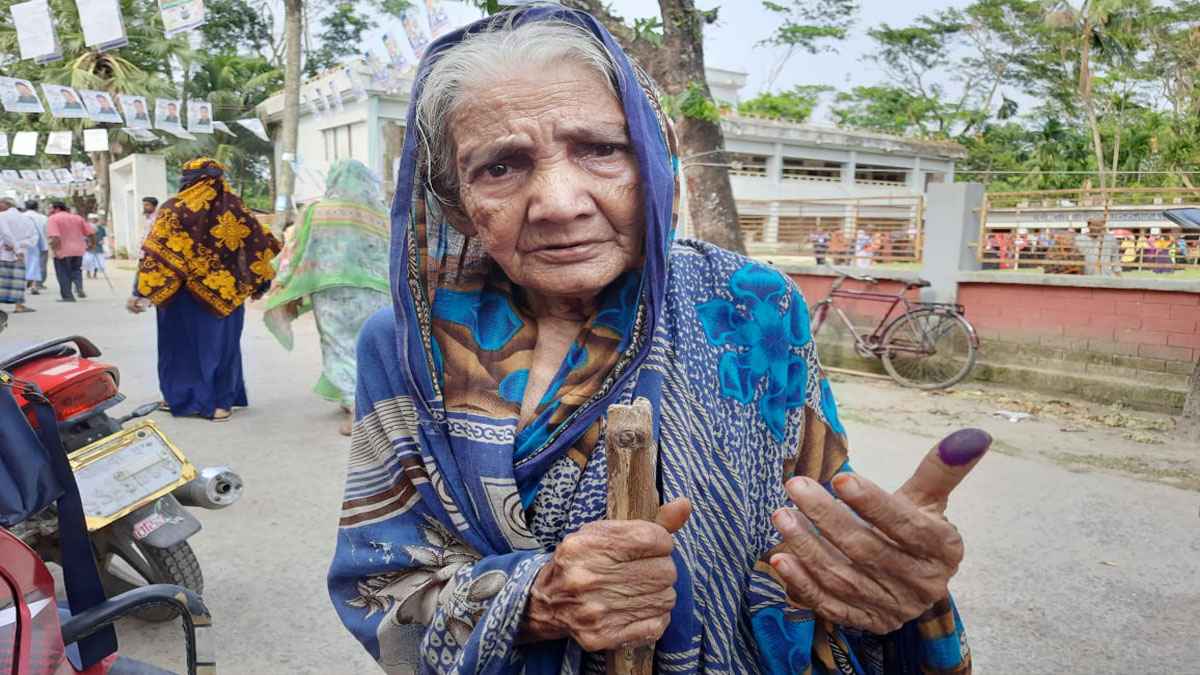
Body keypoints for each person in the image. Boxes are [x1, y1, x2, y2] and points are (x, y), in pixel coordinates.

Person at [327, 10, 980, 675]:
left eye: (599, 149)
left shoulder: (751, 305)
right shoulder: (410, 347)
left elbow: (816, 534)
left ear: (653, 158)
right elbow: (380, 585)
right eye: (500, 166)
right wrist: (536, 599)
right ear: (458, 203)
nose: (558, 201)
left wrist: (885, 568)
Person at [126, 158, 281, 422]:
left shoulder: (174, 208)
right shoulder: (239, 209)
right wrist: (258, 283)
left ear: (188, 179)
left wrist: (140, 292)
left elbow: (154, 253)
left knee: (180, 348)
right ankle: (221, 404)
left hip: (181, 296)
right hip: (226, 296)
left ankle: (181, 396)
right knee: (222, 348)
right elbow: (264, 245)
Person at [263, 160, 390, 437]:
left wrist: (282, 281)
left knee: (340, 346)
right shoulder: (383, 214)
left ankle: (358, 410)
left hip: (332, 292)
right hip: (377, 292)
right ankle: (366, 401)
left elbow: (296, 249)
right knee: (370, 346)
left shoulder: (317, 211)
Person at [46, 201, 93, 301]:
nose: (49, 210)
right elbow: (91, 233)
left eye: (50, 208)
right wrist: (92, 245)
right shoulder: (77, 218)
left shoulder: (53, 218)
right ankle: (79, 287)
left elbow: (55, 237)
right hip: (78, 250)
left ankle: (68, 296)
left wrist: (55, 250)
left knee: (63, 273)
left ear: (57, 209)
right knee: (76, 270)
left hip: (62, 250)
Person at [0, 197, 39, 314]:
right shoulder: (27, 219)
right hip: (21, 254)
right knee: (18, 280)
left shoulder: (2, 216)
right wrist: (19, 245)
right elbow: (34, 239)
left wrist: (14, 246)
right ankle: (19, 306)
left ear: (6, 204)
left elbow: (6, 234)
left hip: (4, 252)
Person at [19, 201, 48, 294]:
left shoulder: (21, 216)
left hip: (22, 244)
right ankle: (35, 285)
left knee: (23, 264)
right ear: (37, 207)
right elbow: (46, 231)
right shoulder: (43, 217)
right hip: (39, 244)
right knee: (37, 264)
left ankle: (24, 284)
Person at [82, 214, 107, 279]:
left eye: (95, 220)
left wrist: (102, 241)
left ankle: (95, 274)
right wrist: (86, 243)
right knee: (88, 261)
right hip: (89, 248)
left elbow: (103, 237)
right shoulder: (86, 227)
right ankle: (88, 272)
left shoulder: (101, 228)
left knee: (97, 262)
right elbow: (83, 237)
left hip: (98, 247)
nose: (93, 221)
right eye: (91, 219)